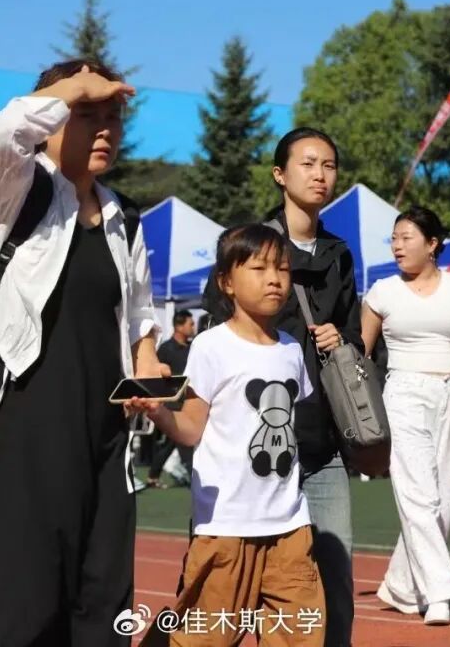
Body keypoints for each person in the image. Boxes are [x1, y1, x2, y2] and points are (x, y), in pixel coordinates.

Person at [0, 61, 162, 647]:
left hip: (106, 433)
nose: (104, 129)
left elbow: (140, 316)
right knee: (21, 601)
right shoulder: (18, 190)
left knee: (102, 598)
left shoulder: (125, 216)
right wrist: (69, 89)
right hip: (25, 421)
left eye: (113, 117)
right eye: (85, 115)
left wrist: (148, 364)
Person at [202, 127, 361, 647]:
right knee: (227, 594)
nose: (320, 174)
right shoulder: (247, 246)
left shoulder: (339, 253)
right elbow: (217, 324)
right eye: (308, 164)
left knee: (334, 582)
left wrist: (344, 337)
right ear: (279, 174)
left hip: (321, 442)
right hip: (252, 452)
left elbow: (356, 331)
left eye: (329, 165)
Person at [138, 224, 325, 647]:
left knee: (301, 637)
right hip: (225, 527)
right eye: (258, 268)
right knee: (205, 639)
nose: (274, 279)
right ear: (226, 282)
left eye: (282, 268)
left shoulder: (291, 349)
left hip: (290, 526)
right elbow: (191, 428)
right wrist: (159, 412)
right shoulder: (210, 346)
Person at [361, 206, 450, 626]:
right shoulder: (382, 291)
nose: (397, 246)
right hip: (402, 394)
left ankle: (402, 585)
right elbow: (362, 353)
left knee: (443, 498)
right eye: (394, 238)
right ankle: (441, 591)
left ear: (432, 243)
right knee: (419, 496)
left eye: (406, 237)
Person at [145, 310, 197, 488]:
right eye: (190, 324)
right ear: (179, 326)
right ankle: (193, 477)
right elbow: (155, 375)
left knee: (171, 444)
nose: (193, 327)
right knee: (183, 442)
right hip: (172, 403)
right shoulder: (166, 349)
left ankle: (153, 476)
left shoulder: (192, 348)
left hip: (189, 401)